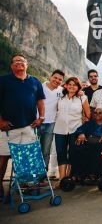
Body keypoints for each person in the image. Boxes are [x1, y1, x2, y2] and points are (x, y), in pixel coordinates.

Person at [0, 54, 45, 200]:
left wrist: (41, 118)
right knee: (3, 158)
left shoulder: (35, 81)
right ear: (12, 66)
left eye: (22, 61)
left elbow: (40, 101)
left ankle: (24, 186)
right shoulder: (3, 80)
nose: (19, 63)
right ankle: (0, 185)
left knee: (27, 158)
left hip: (28, 126)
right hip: (7, 128)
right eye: (16, 61)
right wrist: (0, 121)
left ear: (27, 65)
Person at [53, 77, 91, 187]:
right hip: (60, 129)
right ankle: (61, 178)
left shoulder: (82, 98)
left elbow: (88, 115)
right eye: (69, 84)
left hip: (75, 129)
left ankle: (68, 178)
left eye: (74, 85)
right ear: (65, 85)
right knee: (61, 153)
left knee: (73, 153)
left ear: (78, 87)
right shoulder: (60, 96)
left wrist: (82, 131)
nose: (71, 86)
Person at [73, 108, 102, 183]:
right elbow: (79, 129)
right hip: (89, 141)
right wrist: (81, 133)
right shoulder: (89, 123)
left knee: (98, 148)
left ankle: (94, 174)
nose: (97, 114)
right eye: (95, 113)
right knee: (77, 148)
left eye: (99, 113)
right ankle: (79, 174)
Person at [39, 69, 65, 169]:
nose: (57, 80)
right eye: (55, 78)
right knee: (33, 149)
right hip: (36, 122)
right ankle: (31, 175)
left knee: (46, 150)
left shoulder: (61, 91)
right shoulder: (40, 86)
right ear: (50, 77)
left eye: (60, 79)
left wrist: (80, 92)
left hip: (51, 124)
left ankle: (43, 175)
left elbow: (73, 92)